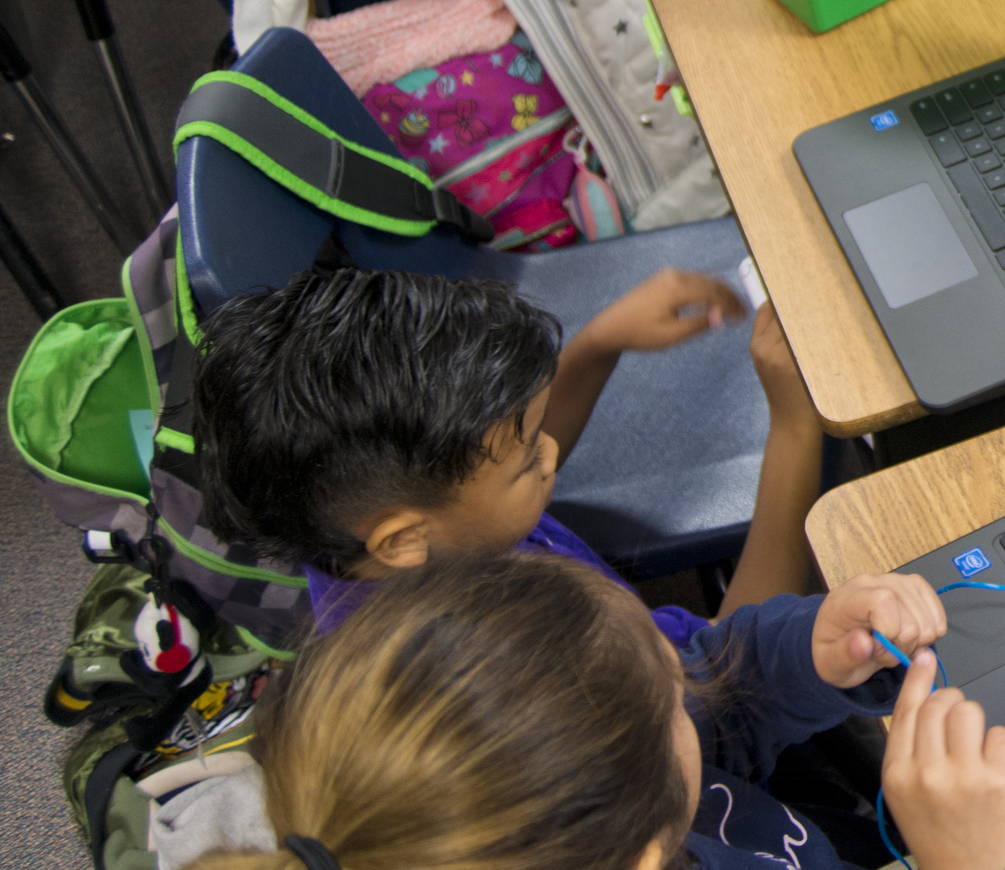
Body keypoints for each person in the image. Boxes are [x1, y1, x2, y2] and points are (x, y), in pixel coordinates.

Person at [160, 554, 1005, 870]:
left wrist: (801, 653)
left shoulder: (542, 865)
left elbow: (709, 724)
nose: (696, 675)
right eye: (675, 688)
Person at [191, 256, 826, 637]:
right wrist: (796, 429)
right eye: (531, 461)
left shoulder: (361, 526)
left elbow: (490, 475)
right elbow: (731, 671)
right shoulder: (519, 654)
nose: (549, 453)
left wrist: (601, 342)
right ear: (402, 539)